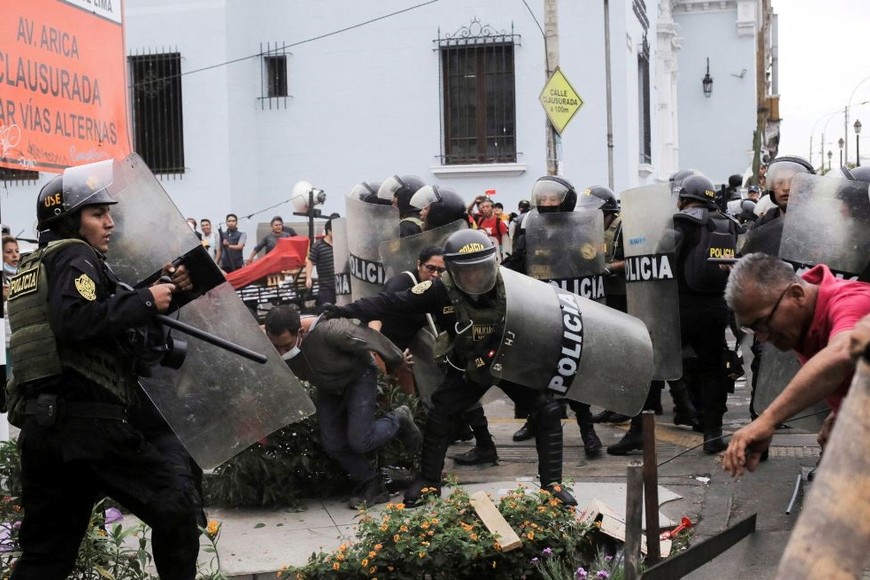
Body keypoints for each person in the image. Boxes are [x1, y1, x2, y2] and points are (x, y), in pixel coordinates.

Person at [6, 172, 203, 579]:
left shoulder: (34, 266)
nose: (110, 223)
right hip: (91, 428)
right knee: (177, 509)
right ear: (68, 221)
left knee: (46, 557)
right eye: (97, 214)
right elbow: (75, 321)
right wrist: (146, 300)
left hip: (45, 431)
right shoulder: (75, 256)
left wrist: (160, 295)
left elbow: (102, 330)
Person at [325, 229, 577, 508]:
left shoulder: (515, 285)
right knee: (440, 414)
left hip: (511, 360)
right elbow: (391, 302)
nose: (475, 276)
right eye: (467, 270)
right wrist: (345, 310)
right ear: (453, 270)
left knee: (547, 410)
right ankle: (429, 482)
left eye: (481, 268)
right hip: (468, 365)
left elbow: (552, 313)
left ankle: (552, 485)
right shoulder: (439, 290)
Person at [609, 174, 738, 455]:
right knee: (712, 370)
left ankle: (638, 431)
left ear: (683, 198)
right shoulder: (726, 224)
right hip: (716, 308)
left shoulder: (680, 224)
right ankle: (713, 433)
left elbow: (657, 262)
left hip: (678, 307)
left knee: (650, 367)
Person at [722, 253, 870, 477]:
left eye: (763, 323)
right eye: (752, 329)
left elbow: (842, 354)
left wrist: (767, 420)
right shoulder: (804, 322)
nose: (762, 337)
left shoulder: (852, 302)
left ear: (797, 294)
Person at [264, 305, 420, 509]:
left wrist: (398, 359)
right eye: (275, 347)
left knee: (360, 440)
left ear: (300, 332)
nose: (281, 352)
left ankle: (399, 417)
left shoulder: (331, 331)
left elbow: (369, 337)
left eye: (286, 346)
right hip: (328, 387)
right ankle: (371, 483)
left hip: (358, 377)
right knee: (332, 442)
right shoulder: (268, 342)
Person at [500, 176, 603, 458]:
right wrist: (498, 273)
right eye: (543, 198)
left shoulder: (581, 229)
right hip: (540, 310)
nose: (547, 203)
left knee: (574, 371)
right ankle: (534, 422)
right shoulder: (529, 228)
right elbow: (518, 261)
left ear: (566, 201)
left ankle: (588, 431)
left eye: (552, 198)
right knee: (537, 372)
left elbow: (591, 264)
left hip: (572, 310)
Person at [305, 219, 335, 307]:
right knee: (327, 309)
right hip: (326, 287)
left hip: (340, 285)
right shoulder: (318, 246)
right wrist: (308, 278)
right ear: (329, 231)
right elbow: (310, 262)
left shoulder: (340, 244)